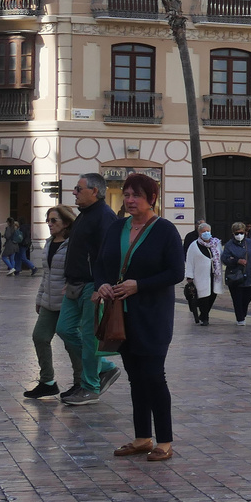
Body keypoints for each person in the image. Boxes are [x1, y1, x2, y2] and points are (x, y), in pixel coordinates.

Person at [96, 172, 182, 462]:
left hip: (152, 315)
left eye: (136, 196)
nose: (130, 200)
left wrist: (139, 285)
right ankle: (142, 437)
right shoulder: (117, 227)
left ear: (152, 199)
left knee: (154, 377)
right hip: (121, 315)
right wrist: (103, 284)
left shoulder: (165, 230)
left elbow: (176, 272)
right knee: (135, 378)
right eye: (127, 194)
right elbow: (100, 263)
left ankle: (165, 441)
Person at [57, 175, 121, 406]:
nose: (74, 192)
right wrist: (70, 276)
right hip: (75, 284)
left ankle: (91, 387)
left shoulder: (104, 217)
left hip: (92, 286)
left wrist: (101, 285)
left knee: (89, 338)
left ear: (94, 191)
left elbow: (108, 256)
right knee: (64, 329)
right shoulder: (84, 215)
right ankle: (104, 367)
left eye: (78, 189)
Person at [27, 206, 81, 399]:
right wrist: (39, 298)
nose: (49, 224)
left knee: (71, 342)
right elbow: (46, 275)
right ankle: (47, 381)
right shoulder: (49, 243)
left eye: (53, 221)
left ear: (66, 223)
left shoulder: (73, 243)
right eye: (48, 220)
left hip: (68, 301)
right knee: (40, 337)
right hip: (49, 301)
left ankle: (80, 382)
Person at [183, 221, 224, 326]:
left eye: (208, 231)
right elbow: (190, 261)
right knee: (203, 296)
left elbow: (221, 256)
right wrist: (189, 276)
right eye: (204, 231)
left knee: (213, 295)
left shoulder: (216, 244)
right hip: (200, 276)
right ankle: (205, 318)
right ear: (199, 233)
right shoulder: (194, 245)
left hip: (214, 275)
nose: (206, 233)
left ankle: (204, 314)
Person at [221, 222, 251, 323]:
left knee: (246, 299)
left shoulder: (250, 243)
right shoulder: (229, 245)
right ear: (233, 233)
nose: (239, 235)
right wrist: (236, 261)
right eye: (237, 233)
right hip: (235, 276)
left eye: (241, 232)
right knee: (237, 299)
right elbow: (224, 259)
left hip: (249, 275)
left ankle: (243, 314)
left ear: (245, 232)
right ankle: (240, 318)